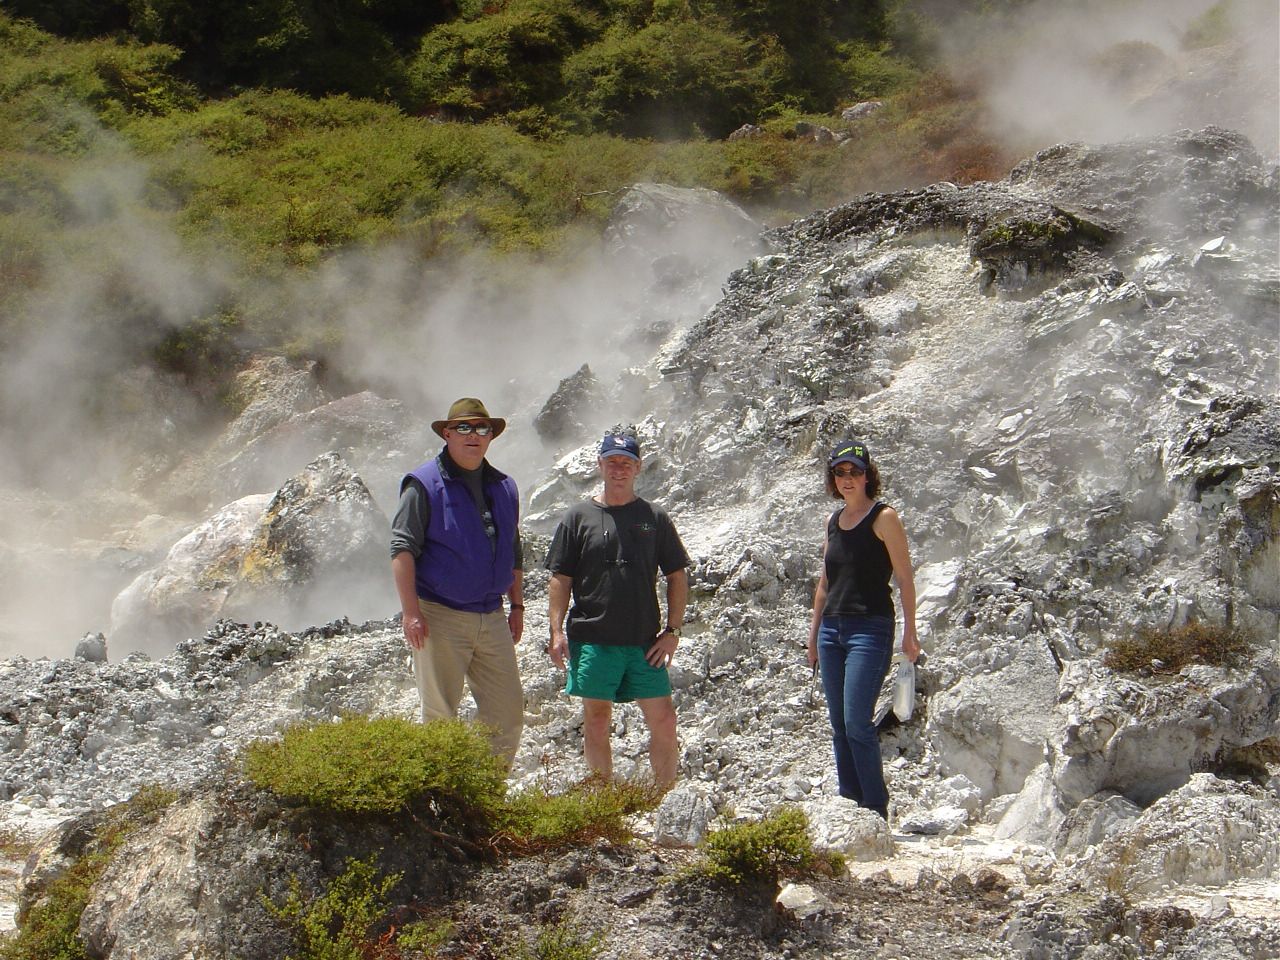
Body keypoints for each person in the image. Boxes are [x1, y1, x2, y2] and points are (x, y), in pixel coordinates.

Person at [546, 430, 690, 786]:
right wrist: (555, 631)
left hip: (644, 643)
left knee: (665, 720)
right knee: (596, 719)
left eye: (626, 462)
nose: (619, 469)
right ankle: (602, 805)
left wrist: (672, 632)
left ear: (638, 467)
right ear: (600, 465)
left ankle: (664, 796)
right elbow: (560, 578)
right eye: (612, 461)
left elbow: (677, 575)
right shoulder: (577, 517)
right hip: (593, 638)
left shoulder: (654, 518)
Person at [390, 397, 525, 769]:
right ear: (447, 433)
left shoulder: (504, 486)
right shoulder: (423, 484)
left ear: (491, 437)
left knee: (508, 713)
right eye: (464, 428)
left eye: (482, 429)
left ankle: (482, 799)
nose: (474, 435)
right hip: (439, 615)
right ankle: (443, 805)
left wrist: (517, 605)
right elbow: (401, 548)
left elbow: (513, 549)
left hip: (492, 615)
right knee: (440, 716)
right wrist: (411, 613)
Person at [807, 439, 919, 819]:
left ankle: (874, 808)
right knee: (839, 725)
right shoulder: (833, 522)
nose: (847, 478)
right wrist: (812, 637)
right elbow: (824, 584)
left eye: (855, 471)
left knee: (857, 721)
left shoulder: (884, 517)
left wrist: (910, 633)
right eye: (840, 472)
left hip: (869, 629)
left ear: (869, 475)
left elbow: (904, 577)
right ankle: (849, 804)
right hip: (831, 631)